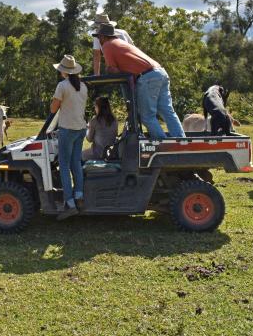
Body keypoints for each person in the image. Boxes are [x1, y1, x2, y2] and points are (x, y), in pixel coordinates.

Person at [93, 23, 185, 140]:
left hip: (147, 78)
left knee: (147, 116)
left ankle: (163, 144)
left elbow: (113, 69)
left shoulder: (107, 45)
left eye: (98, 37)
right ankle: (182, 142)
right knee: (167, 112)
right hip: (160, 72)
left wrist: (108, 70)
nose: (99, 40)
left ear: (103, 36)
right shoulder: (122, 43)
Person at [50, 55, 88, 220]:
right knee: (76, 163)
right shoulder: (83, 86)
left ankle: (69, 204)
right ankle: (79, 195)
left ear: (64, 71)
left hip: (67, 129)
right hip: (81, 129)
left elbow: (53, 109)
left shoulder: (62, 86)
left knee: (64, 166)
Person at [81, 96, 118, 161]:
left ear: (98, 107)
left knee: (78, 156)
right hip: (111, 152)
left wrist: (87, 129)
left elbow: (89, 139)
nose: (95, 108)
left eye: (95, 106)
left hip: (98, 153)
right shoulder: (114, 119)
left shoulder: (94, 120)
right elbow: (115, 134)